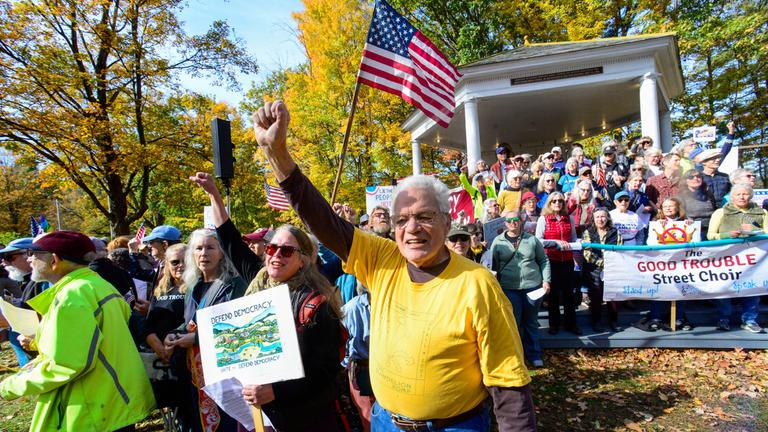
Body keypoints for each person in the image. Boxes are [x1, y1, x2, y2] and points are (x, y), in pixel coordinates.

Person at [252, 100, 535, 431]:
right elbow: (324, 221)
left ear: (447, 223)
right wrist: (278, 155)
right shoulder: (383, 258)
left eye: (424, 216)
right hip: (386, 423)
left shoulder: (477, 283)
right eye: (402, 219)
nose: (412, 228)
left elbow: (508, 382)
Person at [190, 172, 347, 431]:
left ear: (304, 259)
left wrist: (277, 391)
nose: (276, 256)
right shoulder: (259, 280)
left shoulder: (315, 303)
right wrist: (214, 195)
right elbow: (229, 240)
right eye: (272, 249)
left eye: (286, 251)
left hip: (303, 417)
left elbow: (325, 371)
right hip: (257, 415)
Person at [0, 231, 155, 430]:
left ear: (54, 259)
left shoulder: (71, 297)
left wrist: (8, 386)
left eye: (33, 253)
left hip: (91, 410)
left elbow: (67, 365)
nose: (29, 259)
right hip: (113, 403)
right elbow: (99, 340)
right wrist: (37, 341)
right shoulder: (99, 285)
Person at [164, 229, 247, 431]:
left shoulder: (235, 285)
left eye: (210, 247)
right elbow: (189, 321)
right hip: (195, 374)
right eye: (198, 248)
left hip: (225, 375)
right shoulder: (192, 286)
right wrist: (174, 333)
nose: (204, 253)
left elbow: (240, 328)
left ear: (221, 253)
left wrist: (196, 338)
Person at [491, 210, 550, 368]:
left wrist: (546, 280)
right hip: (509, 288)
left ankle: (534, 354)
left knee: (531, 321)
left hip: (532, 286)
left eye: (516, 219)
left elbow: (543, 260)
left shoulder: (531, 240)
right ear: (505, 223)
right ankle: (516, 355)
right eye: (509, 220)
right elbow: (493, 266)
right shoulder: (498, 241)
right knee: (514, 323)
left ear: (521, 220)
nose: (513, 222)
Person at [706, 184, 767, 333]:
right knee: (724, 287)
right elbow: (711, 235)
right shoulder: (721, 212)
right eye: (738, 194)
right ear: (732, 197)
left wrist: (756, 234)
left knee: (753, 287)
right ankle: (723, 318)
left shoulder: (762, 212)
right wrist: (727, 235)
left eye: (745, 194)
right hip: (728, 258)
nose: (742, 197)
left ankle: (750, 320)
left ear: (750, 196)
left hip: (754, 259)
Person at [644, 197, 694, 330]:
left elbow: (695, 243)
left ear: (677, 207)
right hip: (662, 263)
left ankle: (678, 317)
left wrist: (691, 227)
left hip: (681, 263)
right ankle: (656, 317)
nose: (668, 208)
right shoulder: (656, 223)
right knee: (659, 289)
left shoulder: (687, 222)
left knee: (681, 290)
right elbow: (650, 243)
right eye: (665, 206)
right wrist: (659, 229)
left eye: (671, 206)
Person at [536, 192, 581, 335]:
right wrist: (556, 243)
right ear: (549, 203)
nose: (557, 203)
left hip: (567, 260)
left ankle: (571, 324)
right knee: (553, 294)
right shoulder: (544, 219)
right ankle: (553, 324)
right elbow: (538, 240)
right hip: (551, 260)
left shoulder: (569, 219)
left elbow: (573, 238)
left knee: (569, 293)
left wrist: (577, 244)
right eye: (554, 201)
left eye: (560, 201)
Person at [0, 238, 44, 367]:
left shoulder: (41, 283)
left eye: (9, 257)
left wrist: (9, 320)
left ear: (29, 254)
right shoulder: (27, 281)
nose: (4, 262)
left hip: (39, 356)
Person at [582, 208, 623, 332]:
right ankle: (596, 322)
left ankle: (613, 321)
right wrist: (602, 263)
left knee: (613, 297)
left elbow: (620, 249)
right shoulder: (589, 232)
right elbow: (587, 252)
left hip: (612, 268)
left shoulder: (615, 232)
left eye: (603, 216)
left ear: (608, 218)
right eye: (598, 217)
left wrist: (610, 263)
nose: (600, 219)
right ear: (593, 219)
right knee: (596, 297)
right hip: (594, 268)